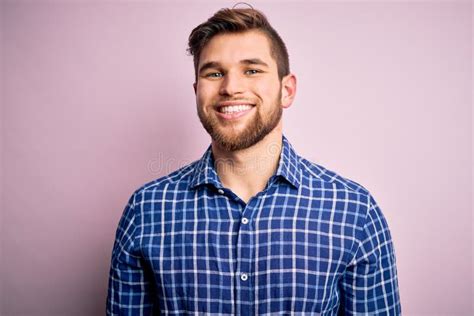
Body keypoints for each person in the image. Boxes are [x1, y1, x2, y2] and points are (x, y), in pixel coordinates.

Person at [106, 6, 401, 315]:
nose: (231, 87)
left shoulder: (354, 211)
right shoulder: (146, 210)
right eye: (214, 72)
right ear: (197, 91)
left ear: (286, 90)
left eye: (252, 70)